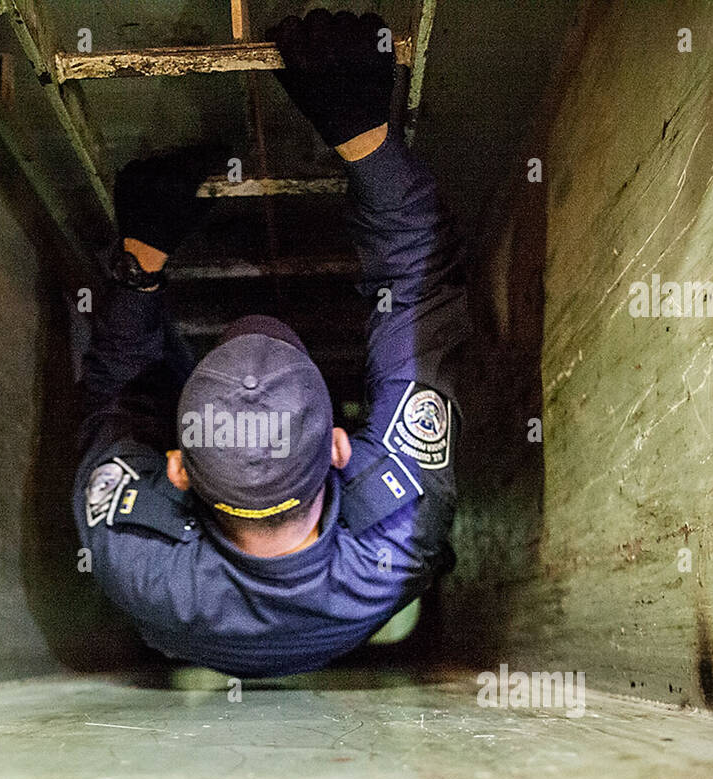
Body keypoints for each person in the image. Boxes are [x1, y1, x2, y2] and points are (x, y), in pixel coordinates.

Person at [73, 9, 470, 678]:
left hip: (186, 635)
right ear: (342, 449)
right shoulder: (401, 529)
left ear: (174, 469)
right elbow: (420, 297)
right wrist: (362, 131)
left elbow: (119, 396)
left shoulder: (128, 545)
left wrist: (137, 261)